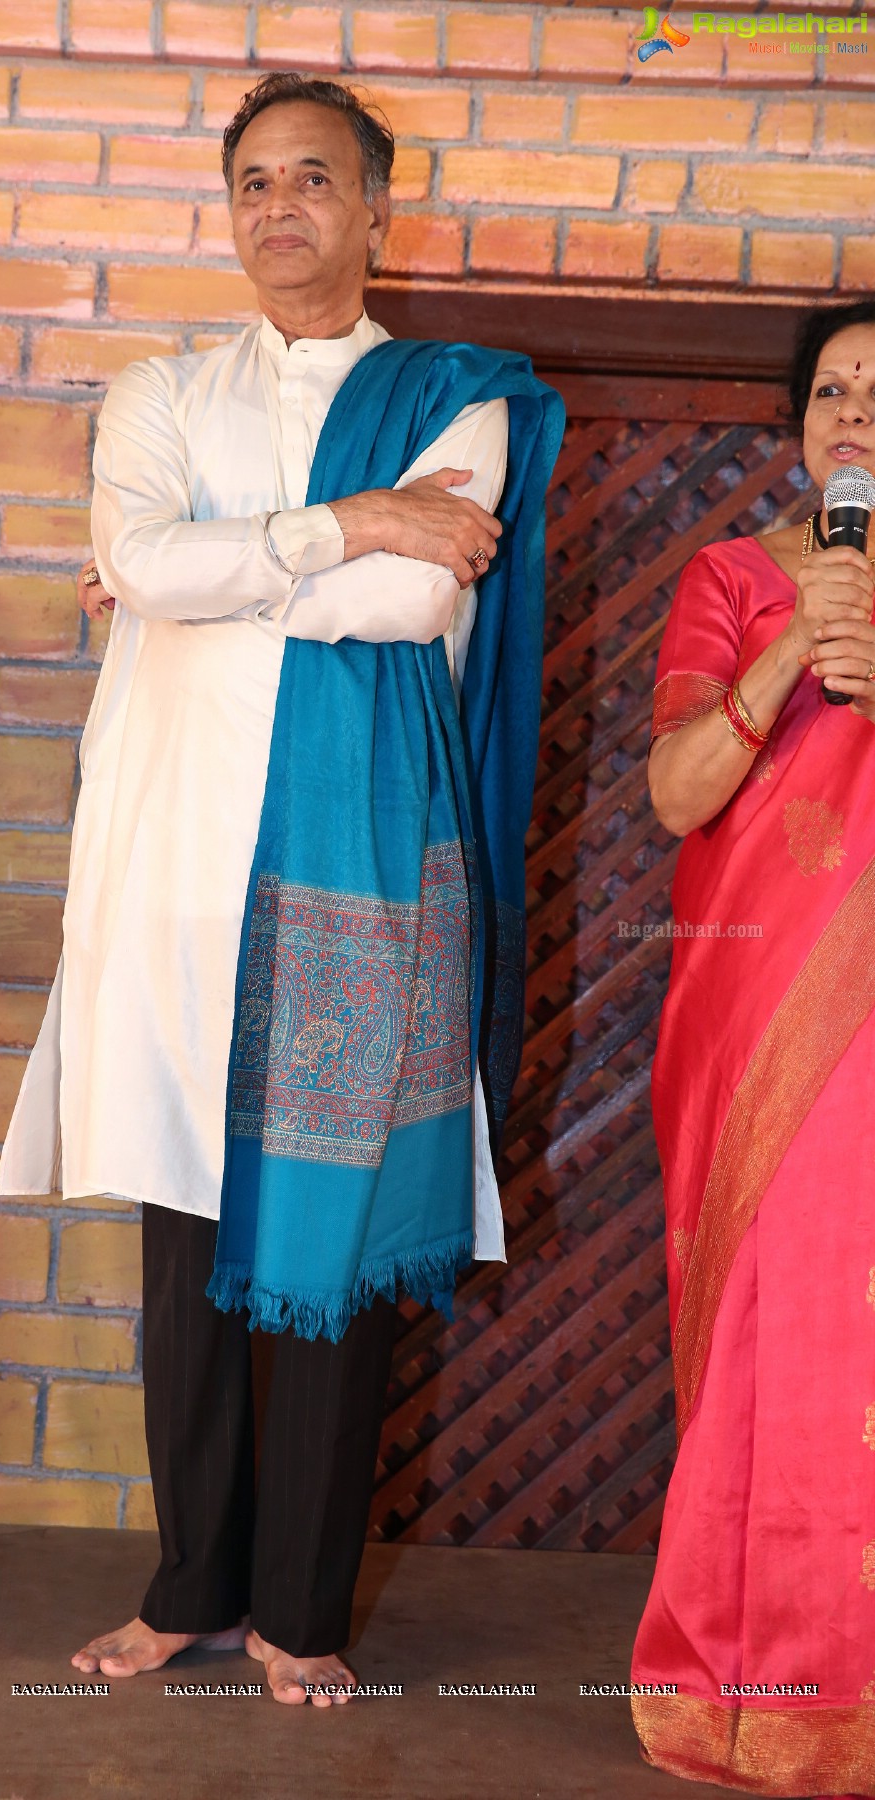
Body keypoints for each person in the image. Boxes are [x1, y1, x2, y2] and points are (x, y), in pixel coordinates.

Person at [0, 73, 561, 1707]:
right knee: (189, 1237)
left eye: (316, 179)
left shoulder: (463, 399)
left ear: (381, 207)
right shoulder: (158, 388)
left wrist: (205, 567)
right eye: (252, 182)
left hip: (355, 865)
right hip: (176, 853)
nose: (280, 209)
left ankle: (303, 1610)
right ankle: (189, 1583)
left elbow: (397, 600)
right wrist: (331, 527)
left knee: (324, 1227)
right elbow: (178, 556)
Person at [633, 298, 875, 1796]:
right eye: (834, 390)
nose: (855, 414)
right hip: (757, 1015)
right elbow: (677, 793)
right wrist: (795, 653)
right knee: (774, 1331)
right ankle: (753, 1683)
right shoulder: (729, 579)